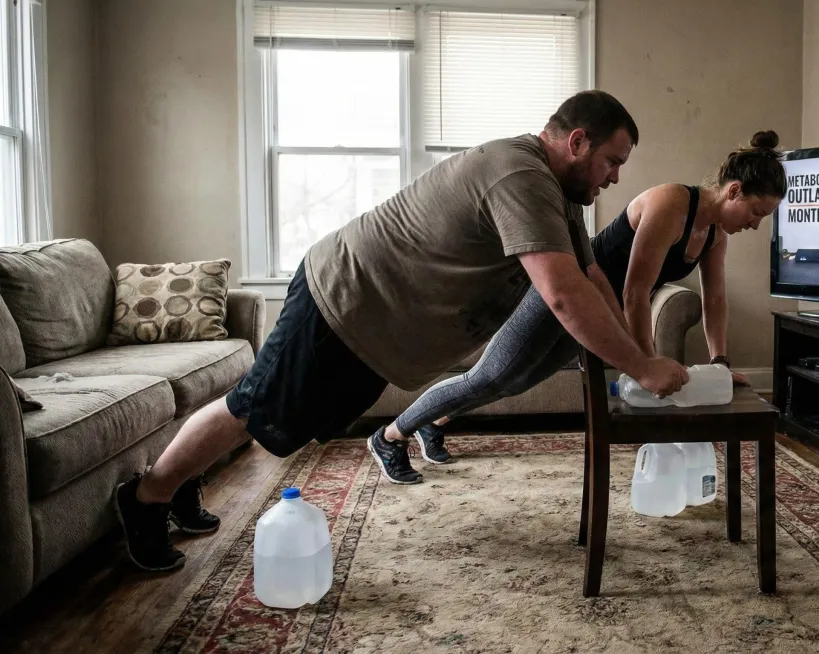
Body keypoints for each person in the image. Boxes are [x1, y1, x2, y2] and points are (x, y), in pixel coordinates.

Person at [112, 90, 691, 572]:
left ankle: (179, 483)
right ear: (577, 142)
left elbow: (592, 277)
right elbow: (563, 295)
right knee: (253, 410)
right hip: (342, 302)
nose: (616, 177)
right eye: (613, 161)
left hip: (373, 331)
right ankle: (147, 495)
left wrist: (637, 354)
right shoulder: (520, 175)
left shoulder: (561, 198)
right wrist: (641, 368)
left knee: (286, 422)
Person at [380, 131, 787, 477]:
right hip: (567, 291)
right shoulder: (672, 203)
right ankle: (391, 435)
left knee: (514, 382)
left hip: (597, 313)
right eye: (756, 211)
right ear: (734, 191)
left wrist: (720, 363)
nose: (755, 224)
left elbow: (715, 299)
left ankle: (435, 420)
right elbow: (635, 291)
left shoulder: (715, 235)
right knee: (490, 375)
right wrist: (646, 363)